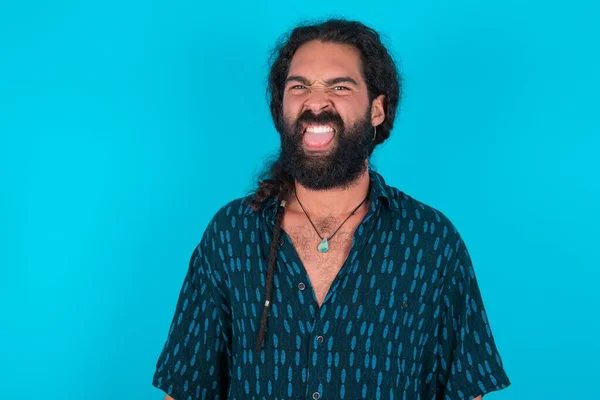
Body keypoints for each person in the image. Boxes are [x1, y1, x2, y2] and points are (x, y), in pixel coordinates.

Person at [152, 18, 511, 400]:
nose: (316, 102)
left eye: (340, 86)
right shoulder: (231, 236)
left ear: (376, 109)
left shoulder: (432, 243)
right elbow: (186, 389)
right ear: (281, 107)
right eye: (299, 86)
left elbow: (465, 389)